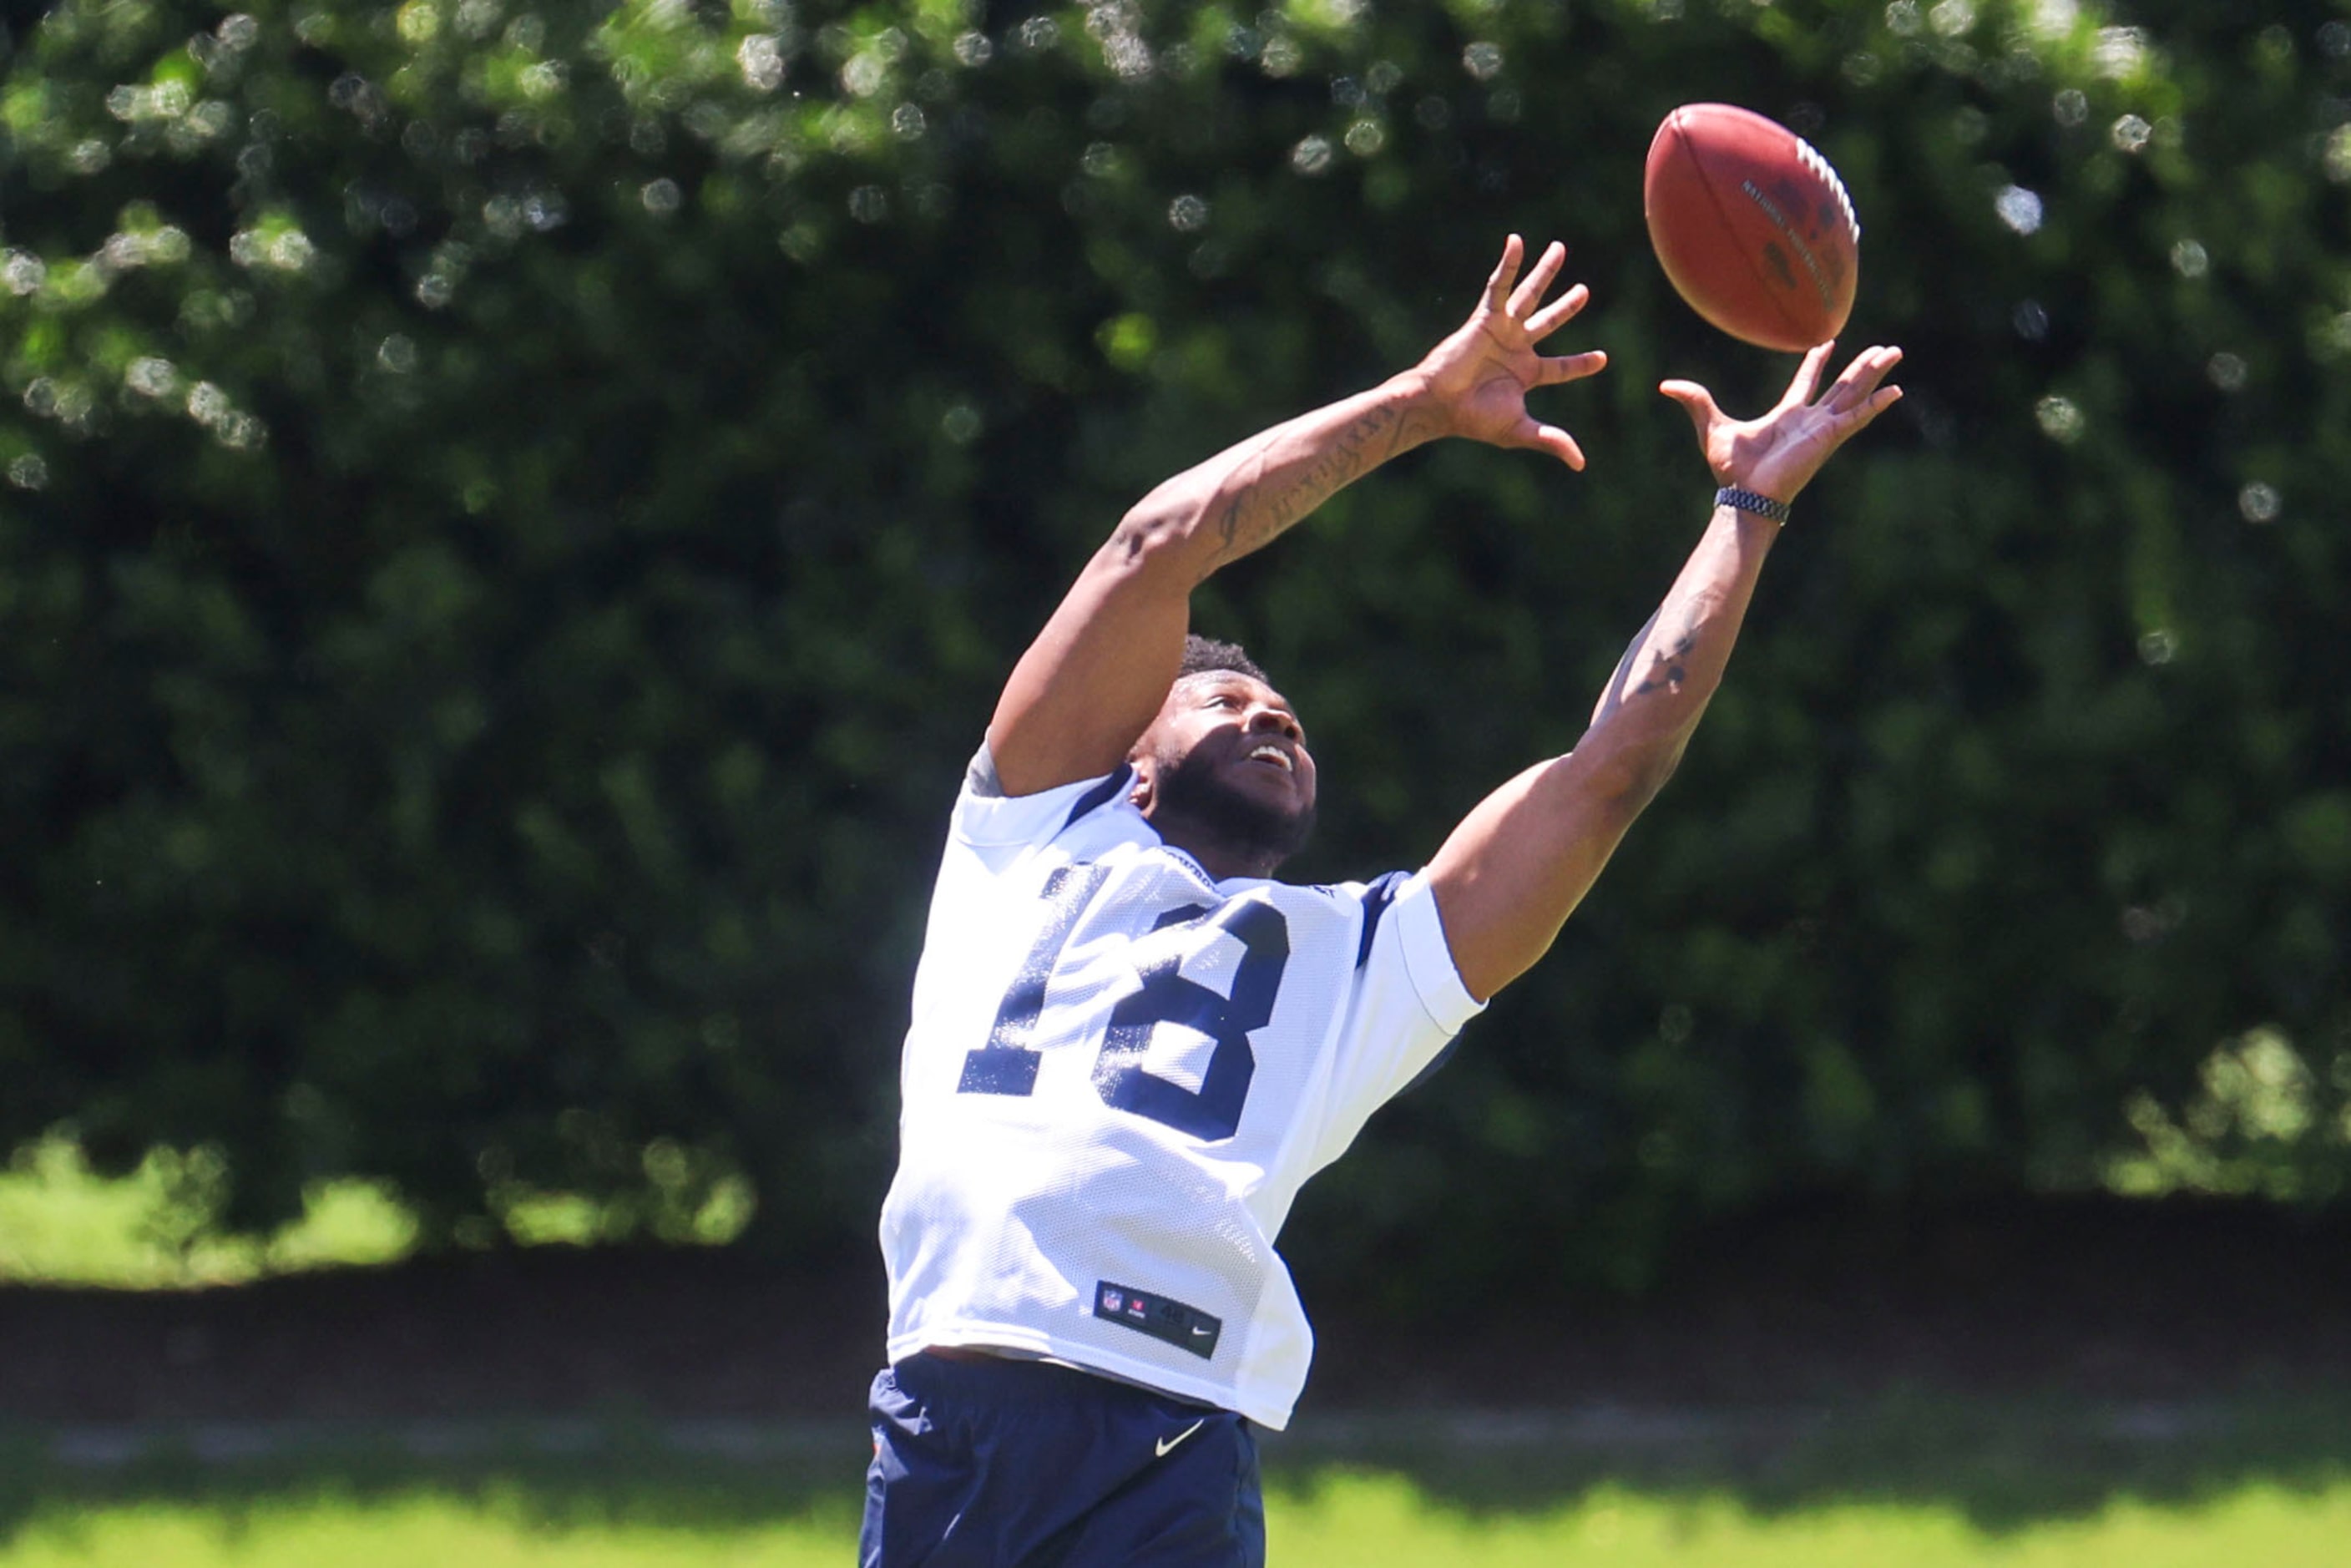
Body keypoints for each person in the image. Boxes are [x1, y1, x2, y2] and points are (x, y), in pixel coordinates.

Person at [862, 235, 1904, 1566]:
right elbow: (1154, 546)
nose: (1269, 710)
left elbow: (1607, 777)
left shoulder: (1359, 956)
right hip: (964, 1393)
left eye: (1284, 711)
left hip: (1171, 1442)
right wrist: (1420, 401)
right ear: (1123, 752)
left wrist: (1744, 512)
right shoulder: (1025, 828)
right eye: (1225, 697)